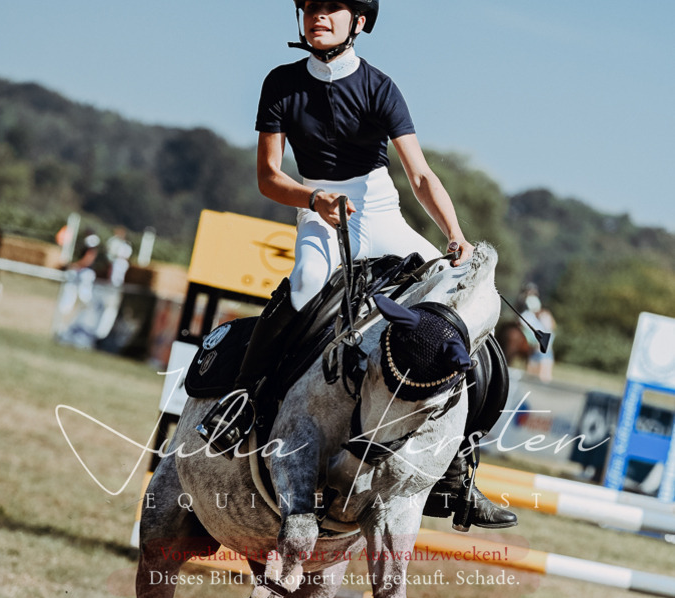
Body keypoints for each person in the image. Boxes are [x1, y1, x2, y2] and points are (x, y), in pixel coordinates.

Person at [209, 0, 515, 528]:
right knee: (304, 284)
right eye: (309, 7)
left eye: (331, 8)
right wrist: (312, 200)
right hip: (318, 210)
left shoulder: (380, 87)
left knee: (456, 305)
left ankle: (460, 467)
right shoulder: (280, 83)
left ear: (361, 21)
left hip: (380, 209)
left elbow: (419, 175)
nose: (317, 16)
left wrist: (455, 237)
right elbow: (267, 177)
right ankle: (246, 403)